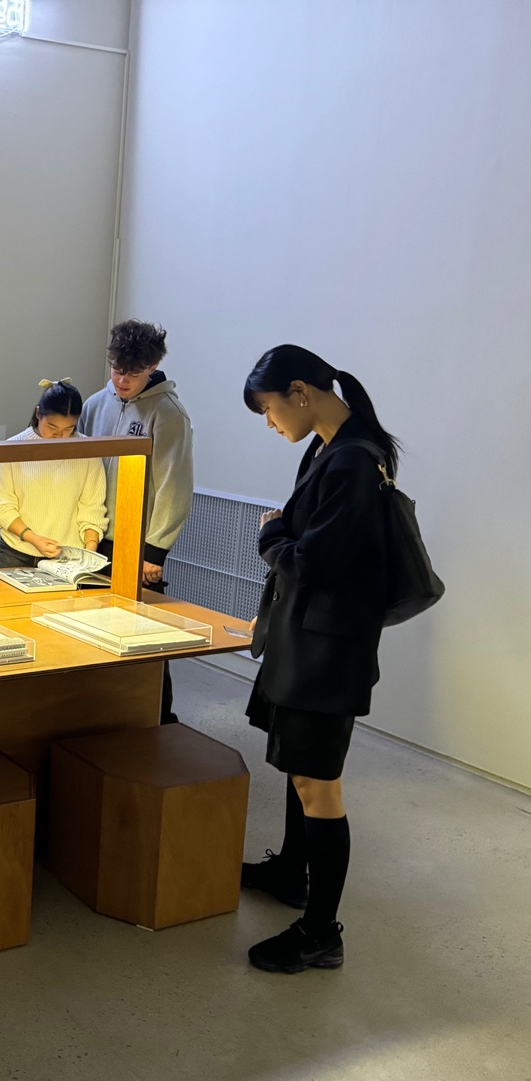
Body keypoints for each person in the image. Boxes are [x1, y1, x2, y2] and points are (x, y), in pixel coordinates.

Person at [239, 344, 395, 974]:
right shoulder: (332, 447)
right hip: (307, 638)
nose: (270, 423)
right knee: (299, 767)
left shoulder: (353, 461)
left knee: (318, 784)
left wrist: (270, 535)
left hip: (327, 651)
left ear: (299, 392)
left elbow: (314, 563)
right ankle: (290, 873)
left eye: (269, 409)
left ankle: (320, 934)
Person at [78, 320, 193, 723]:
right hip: (92, 537)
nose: (122, 380)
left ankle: (159, 718)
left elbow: (174, 486)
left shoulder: (168, 413)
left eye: (133, 372)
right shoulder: (95, 405)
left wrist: (154, 551)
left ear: (153, 366)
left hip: (138, 542)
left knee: (145, 634)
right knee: (90, 628)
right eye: (117, 370)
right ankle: (101, 714)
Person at [0, 378, 107, 568]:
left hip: (68, 556)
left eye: (68, 428)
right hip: (15, 552)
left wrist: (89, 553)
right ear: (38, 414)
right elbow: (0, 507)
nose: (60, 436)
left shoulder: (87, 451)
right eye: (52, 427)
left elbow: (92, 509)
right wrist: (34, 538)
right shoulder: (12, 448)